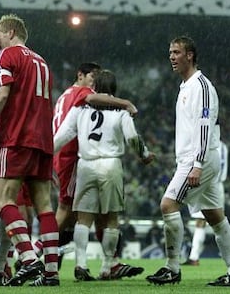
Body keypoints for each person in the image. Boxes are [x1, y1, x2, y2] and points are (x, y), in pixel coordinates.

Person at [146, 35, 230, 287]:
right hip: (195, 159)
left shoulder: (201, 86)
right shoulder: (186, 86)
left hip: (198, 160)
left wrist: (197, 164)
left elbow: (204, 126)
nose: (172, 57)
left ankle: (172, 267)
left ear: (190, 55)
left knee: (168, 205)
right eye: (170, 52)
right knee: (215, 216)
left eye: (177, 52)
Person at [0, 13, 59, 287]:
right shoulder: (43, 62)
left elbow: (2, 95)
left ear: (11, 32)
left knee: (1, 201)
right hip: (44, 140)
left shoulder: (7, 56)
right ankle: (51, 272)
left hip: (17, 138)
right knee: (44, 206)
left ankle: (28, 259)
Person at [53, 69, 154, 281]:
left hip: (86, 165)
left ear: (94, 88)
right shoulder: (120, 112)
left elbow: (62, 137)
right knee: (111, 218)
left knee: (83, 218)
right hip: (110, 165)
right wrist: (144, 154)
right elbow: (132, 138)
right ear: (114, 90)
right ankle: (108, 266)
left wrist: (46, 157)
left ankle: (81, 264)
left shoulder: (80, 108)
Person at [183, 139, 229, 266]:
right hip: (207, 183)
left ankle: (194, 257)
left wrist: (210, 181)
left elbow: (222, 165)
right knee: (212, 221)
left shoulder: (219, 146)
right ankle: (194, 257)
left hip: (212, 185)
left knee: (213, 221)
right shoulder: (205, 143)